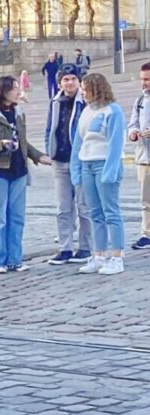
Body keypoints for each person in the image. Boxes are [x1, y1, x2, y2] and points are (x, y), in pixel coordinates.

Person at [0, 75, 50, 273]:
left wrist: (38, 156)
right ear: (4, 91)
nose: (19, 92)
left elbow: (23, 141)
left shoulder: (18, 112)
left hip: (18, 171)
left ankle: (14, 259)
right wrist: (1, 144)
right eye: (15, 89)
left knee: (16, 217)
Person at [72, 71, 127, 275]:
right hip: (87, 164)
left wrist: (110, 170)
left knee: (111, 211)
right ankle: (98, 254)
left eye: (86, 90)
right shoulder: (87, 111)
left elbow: (115, 143)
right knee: (94, 213)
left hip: (104, 164)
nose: (83, 93)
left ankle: (117, 256)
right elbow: (79, 140)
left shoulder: (113, 111)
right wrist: (76, 168)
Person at [42, 68, 90, 264]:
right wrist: (49, 151)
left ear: (79, 81)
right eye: (65, 80)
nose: (69, 83)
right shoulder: (55, 102)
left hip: (80, 160)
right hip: (60, 160)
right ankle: (65, 248)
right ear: (60, 82)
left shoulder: (85, 101)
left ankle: (86, 247)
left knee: (83, 206)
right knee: (63, 207)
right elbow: (49, 128)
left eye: (72, 79)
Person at [129, 61, 150, 252]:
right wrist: (133, 133)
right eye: (142, 79)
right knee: (146, 200)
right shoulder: (140, 101)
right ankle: (147, 233)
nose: (144, 83)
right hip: (145, 157)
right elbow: (133, 123)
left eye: (148, 79)